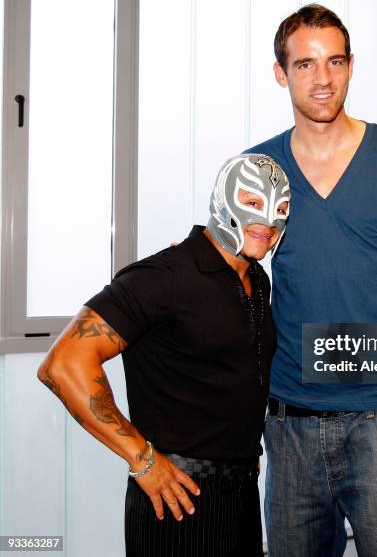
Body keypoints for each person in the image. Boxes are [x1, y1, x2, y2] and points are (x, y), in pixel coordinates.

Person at [245, 4, 377, 556]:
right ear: (280, 72)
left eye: (335, 61)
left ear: (351, 65)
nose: (322, 79)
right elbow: (232, 286)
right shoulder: (257, 170)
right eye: (304, 65)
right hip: (290, 424)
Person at [37, 154, 291, 557]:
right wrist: (143, 461)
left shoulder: (257, 280)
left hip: (241, 496)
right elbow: (63, 364)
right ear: (224, 201)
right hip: (175, 496)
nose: (268, 221)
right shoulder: (164, 276)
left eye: (279, 209)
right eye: (253, 203)